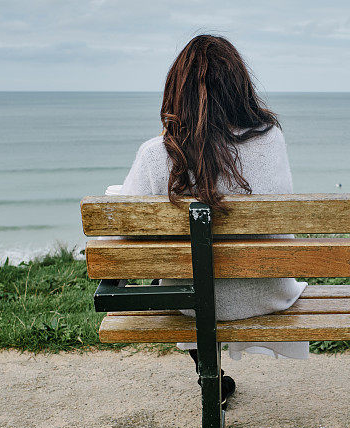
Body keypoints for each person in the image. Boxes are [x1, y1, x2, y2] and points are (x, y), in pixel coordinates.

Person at [117, 35, 309, 407]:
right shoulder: (271, 139)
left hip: (194, 302)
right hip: (266, 292)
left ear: (178, 91)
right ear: (240, 87)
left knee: (173, 270)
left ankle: (209, 375)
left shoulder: (158, 154)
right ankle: (213, 376)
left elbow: (126, 226)